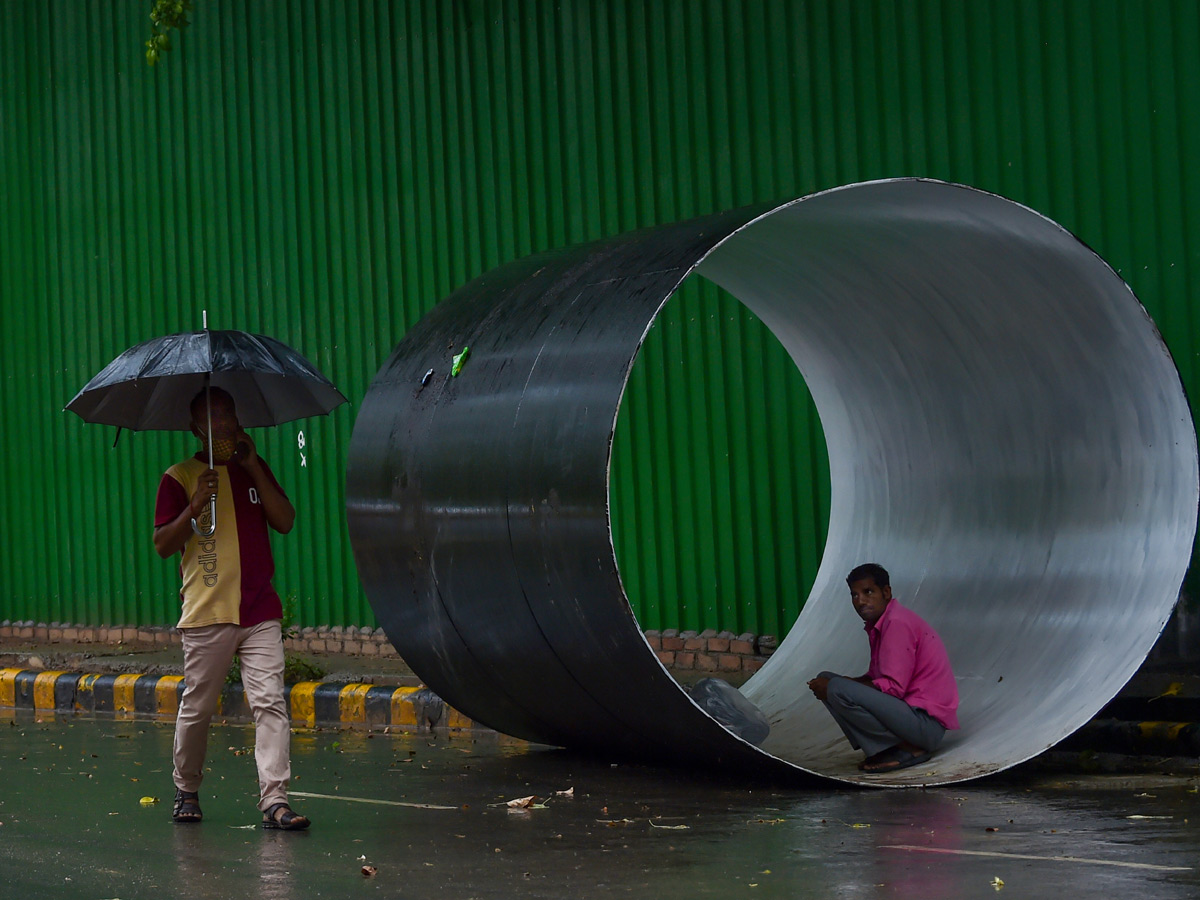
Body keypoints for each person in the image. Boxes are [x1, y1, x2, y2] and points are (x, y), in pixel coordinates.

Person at [153, 387, 310, 830]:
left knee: (270, 704)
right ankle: (186, 788)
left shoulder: (251, 470)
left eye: (228, 415)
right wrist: (194, 507)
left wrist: (254, 466)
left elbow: (285, 520)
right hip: (208, 613)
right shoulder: (179, 478)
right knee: (197, 707)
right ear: (194, 429)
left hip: (260, 611)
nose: (222, 424)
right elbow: (163, 544)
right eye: (212, 418)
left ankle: (275, 801)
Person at [807, 563, 959, 772]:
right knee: (828, 679)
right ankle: (888, 748)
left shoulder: (896, 623)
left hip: (925, 725)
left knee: (835, 688)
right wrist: (847, 683)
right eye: (854, 595)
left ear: (886, 592)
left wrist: (842, 686)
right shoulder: (881, 623)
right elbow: (877, 677)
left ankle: (906, 748)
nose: (860, 601)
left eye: (868, 592)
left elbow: (894, 688)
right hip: (910, 717)